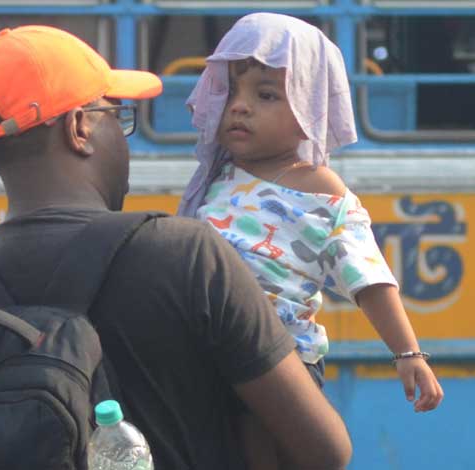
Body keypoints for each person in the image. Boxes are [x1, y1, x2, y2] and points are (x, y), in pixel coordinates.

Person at [0, 25, 352, 470]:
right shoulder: (186, 254)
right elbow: (326, 451)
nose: (122, 137)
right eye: (116, 116)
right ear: (79, 128)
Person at [179, 12, 444, 410]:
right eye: (230, 92)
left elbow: (369, 278)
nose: (239, 107)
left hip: (279, 364)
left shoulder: (320, 188)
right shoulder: (215, 176)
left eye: (265, 95)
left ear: (309, 110)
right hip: (205, 358)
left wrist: (408, 354)